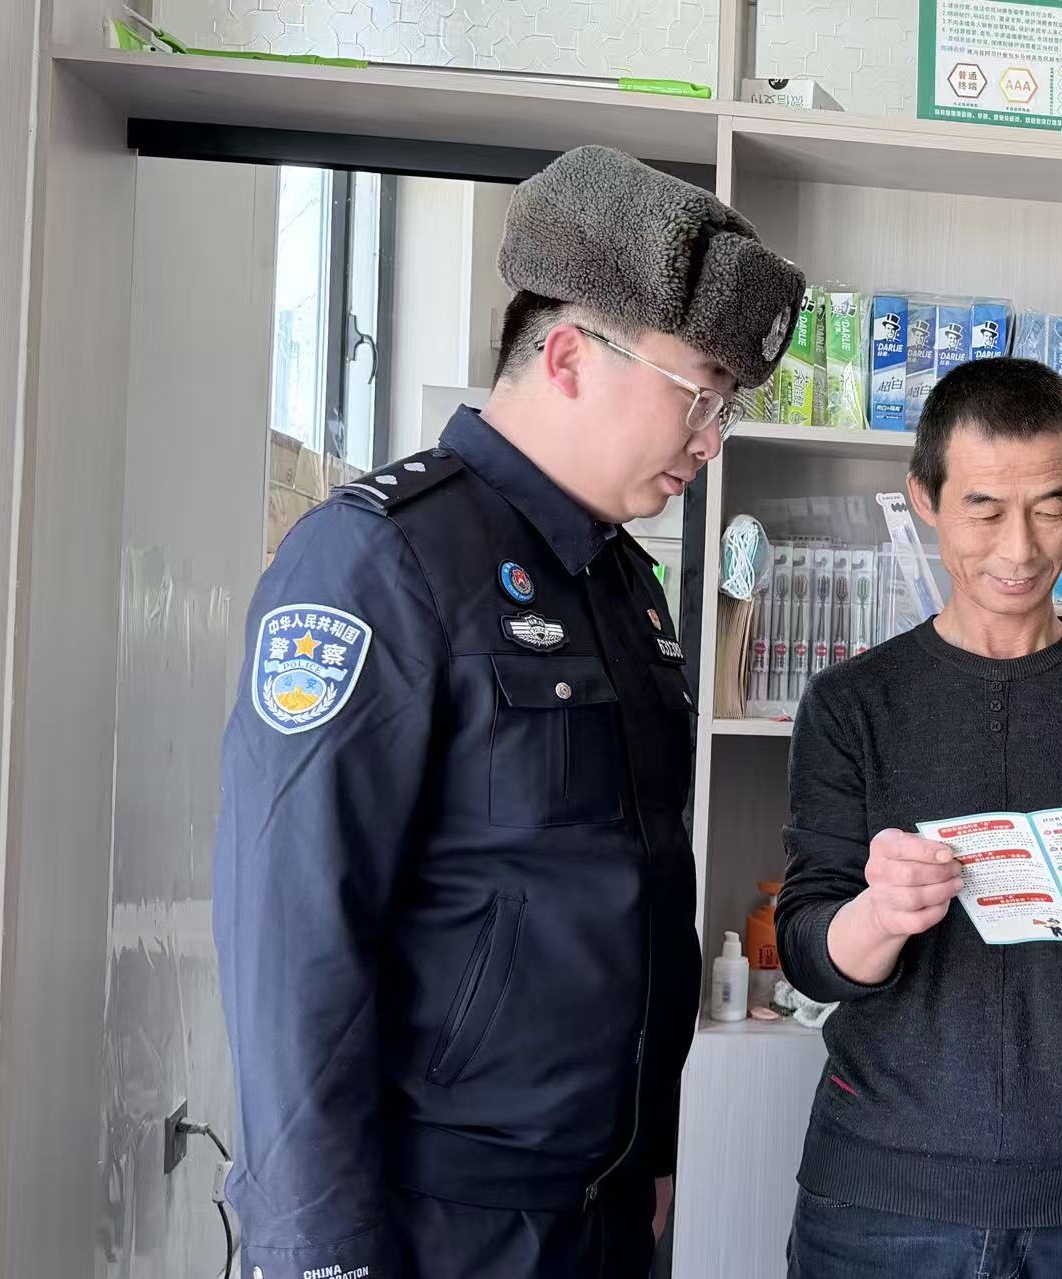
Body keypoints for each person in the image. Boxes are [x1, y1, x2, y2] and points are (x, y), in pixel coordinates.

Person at [213, 144, 805, 1279]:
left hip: (599, 1210)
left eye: (725, 408)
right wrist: (316, 1252)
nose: (709, 439)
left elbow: (641, 889)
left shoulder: (624, 585)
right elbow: (294, 939)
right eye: (697, 395)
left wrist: (651, 1155)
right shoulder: (381, 561)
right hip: (437, 1218)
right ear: (569, 355)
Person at [774, 356, 1062, 1279]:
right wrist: (878, 914)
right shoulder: (851, 703)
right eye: (984, 509)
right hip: (877, 1203)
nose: (1019, 549)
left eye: (1049, 508)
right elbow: (807, 950)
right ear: (925, 499)